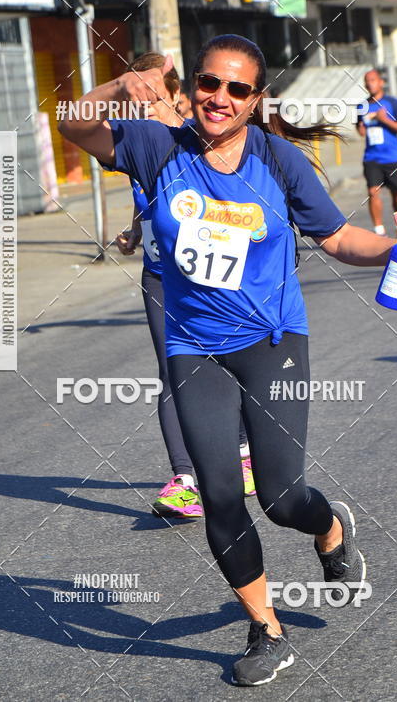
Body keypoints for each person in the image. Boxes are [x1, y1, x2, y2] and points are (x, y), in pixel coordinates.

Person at [59, 35, 397, 687]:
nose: (217, 98)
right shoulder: (155, 145)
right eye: (207, 82)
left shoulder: (278, 161)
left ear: (256, 100)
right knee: (221, 493)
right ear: (193, 84)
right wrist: (120, 89)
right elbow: (71, 122)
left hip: (271, 342)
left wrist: (396, 250)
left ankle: (330, 525)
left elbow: (338, 236)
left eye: (236, 89)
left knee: (282, 497)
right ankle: (267, 631)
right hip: (192, 344)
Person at [113, 53, 256, 518]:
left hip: (216, 271)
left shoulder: (203, 136)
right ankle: (185, 479)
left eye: (151, 97)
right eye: (136, 100)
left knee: (224, 360)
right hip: (160, 272)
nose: (143, 108)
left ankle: (241, 453)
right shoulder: (141, 142)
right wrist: (137, 229)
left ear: (175, 94)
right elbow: (146, 193)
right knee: (173, 370)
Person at [356, 69, 397, 236]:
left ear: (381, 82)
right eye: (367, 81)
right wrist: (361, 127)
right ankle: (379, 230)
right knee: (372, 191)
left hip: (393, 157)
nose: (370, 83)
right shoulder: (362, 106)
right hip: (372, 158)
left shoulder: (393, 103)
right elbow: (360, 130)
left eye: (373, 80)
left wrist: (383, 119)